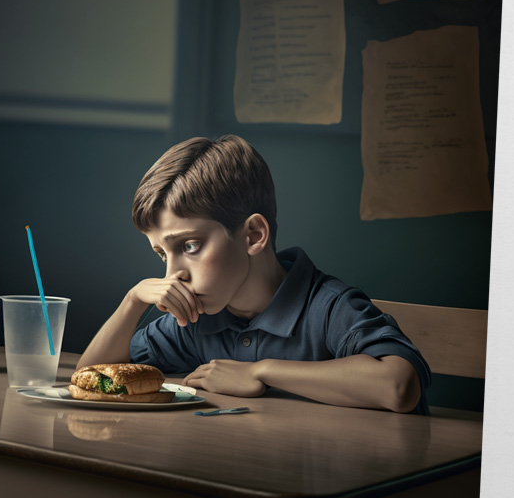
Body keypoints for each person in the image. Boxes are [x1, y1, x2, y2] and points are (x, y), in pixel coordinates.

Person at [78, 135, 431, 413]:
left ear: (252, 236)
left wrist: (260, 370)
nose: (173, 276)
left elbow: (399, 386)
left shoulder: (328, 307)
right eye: (161, 254)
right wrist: (132, 301)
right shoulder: (197, 320)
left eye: (189, 246)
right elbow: (89, 381)